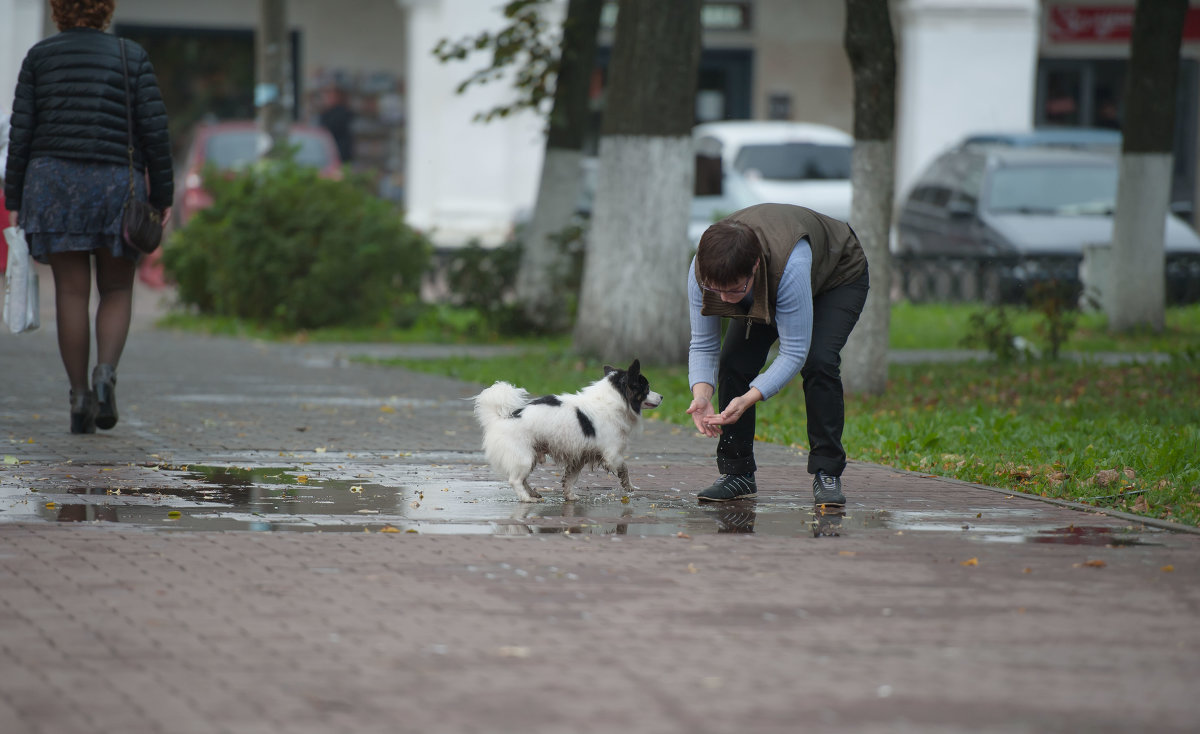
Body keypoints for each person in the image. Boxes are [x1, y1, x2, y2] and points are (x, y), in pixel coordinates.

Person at [4, 0, 173, 433]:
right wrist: (163, 194)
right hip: (118, 185)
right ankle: (105, 374)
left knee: (71, 293)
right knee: (116, 287)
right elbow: (155, 130)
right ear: (105, 10)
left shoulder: (39, 57)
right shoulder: (130, 55)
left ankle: (78, 396)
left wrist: (14, 193)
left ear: (59, 11)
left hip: (55, 183)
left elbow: (21, 130)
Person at [686, 203, 869, 506]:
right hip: (769, 280)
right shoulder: (703, 272)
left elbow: (794, 351)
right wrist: (701, 394)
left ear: (755, 267)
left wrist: (748, 398)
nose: (723, 300)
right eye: (714, 290)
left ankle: (827, 471)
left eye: (732, 290)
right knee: (734, 362)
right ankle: (738, 473)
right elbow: (704, 344)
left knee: (818, 361)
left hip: (836, 275)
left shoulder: (790, 265)